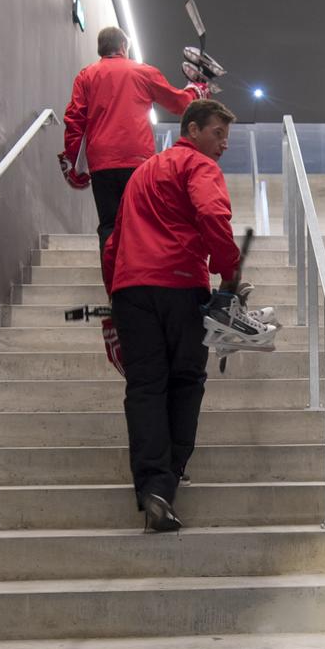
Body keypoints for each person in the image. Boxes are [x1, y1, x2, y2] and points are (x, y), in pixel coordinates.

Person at [101, 97, 243, 532]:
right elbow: (212, 213)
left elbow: (114, 241)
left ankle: (152, 486)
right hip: (180, 286)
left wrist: (116, 295)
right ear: (193, 129)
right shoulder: (198, 166)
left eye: (226, 137)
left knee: (144, 387)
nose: (223, 145)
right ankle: (169, 479)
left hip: (131, 290)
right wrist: (229, 274)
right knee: (185, 382)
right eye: (217, 134)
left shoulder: (142, 173)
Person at [60, 26, 208, 246]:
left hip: (101, 163)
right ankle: (137, 278)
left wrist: (73, 164)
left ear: (101, 49)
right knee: (140, 223)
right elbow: (179, 104)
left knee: (109, 225)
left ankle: (112, 280)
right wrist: (196, 89)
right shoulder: (143, 72)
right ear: (123, 47)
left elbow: (74, 120)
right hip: (138, 162)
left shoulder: (86, 76)